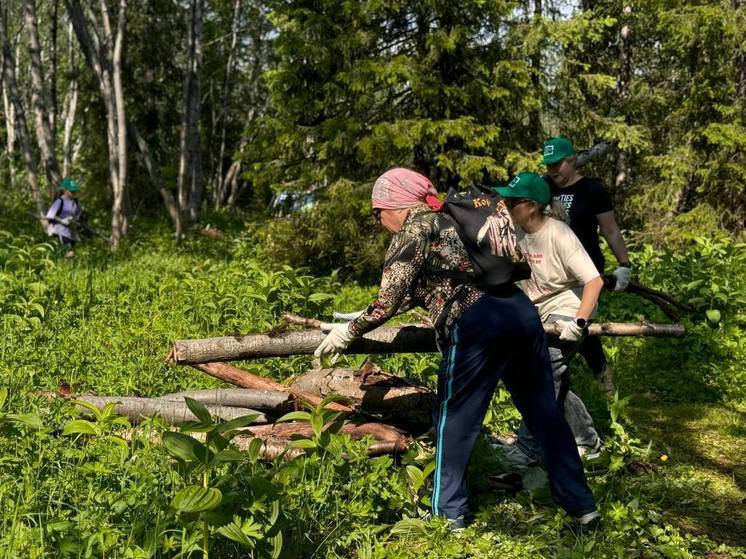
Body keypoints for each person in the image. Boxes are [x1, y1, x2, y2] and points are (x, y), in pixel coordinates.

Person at [314, 168, 599, 529]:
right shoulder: (453, 218)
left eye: (378, 211)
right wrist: (362, 315)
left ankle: (449, 515)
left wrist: (348, 332)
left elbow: (389, 298)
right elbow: (424, 287)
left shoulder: (415, 228)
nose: (378, 220)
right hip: (520, 313)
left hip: (477, 323)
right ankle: (582, 507)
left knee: (454, 421)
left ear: (397, 205)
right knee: (545, 416)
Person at [494, 172, 603, 468]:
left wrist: (578, 322)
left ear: (530, 206)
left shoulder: (559, 233)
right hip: (539, 313)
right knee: (556, 379)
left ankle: (529, 448)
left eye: (511, 202)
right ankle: (587, 441)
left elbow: (594, 281)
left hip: (570, 309)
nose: (505, 206)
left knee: (542, 374)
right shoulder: (517, 232)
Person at [542, 136, 631, 390]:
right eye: (548, 165)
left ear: (572, 161)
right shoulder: (543, 187)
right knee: (580, 326)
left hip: (586, 271)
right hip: (553, 271)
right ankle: (601, 376)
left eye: (557, 164)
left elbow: (610, 230)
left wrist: (624, 263)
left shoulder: (592, 190)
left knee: (578, 322)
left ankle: (588, 381)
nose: (552, 171)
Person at [45, 177, 82, 258]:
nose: (74, 192)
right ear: (65, 190)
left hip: (71, 232)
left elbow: (78, 214)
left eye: (75, 191)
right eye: (71, 191)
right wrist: (61, 220)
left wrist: (75, 221)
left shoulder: (76, 202)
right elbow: (49, 216)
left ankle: (65, 267)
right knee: (69, 252)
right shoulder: (60, 201)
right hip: (60, 230)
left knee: (66, 253)